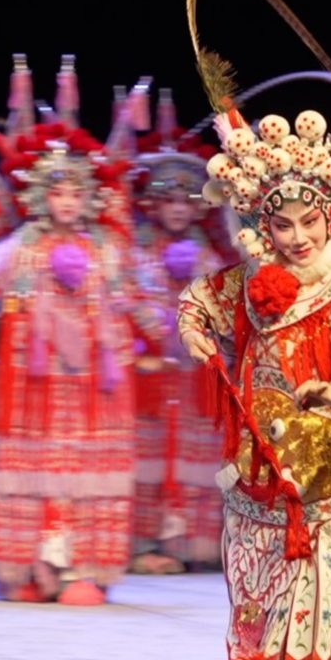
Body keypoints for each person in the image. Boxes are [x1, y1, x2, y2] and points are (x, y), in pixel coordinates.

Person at [177, 105, 331, 660]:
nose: (298, 238)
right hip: (271, 467)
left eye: (309, 222)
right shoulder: (250, 283)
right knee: (268, 606)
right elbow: (197, 300)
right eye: (282, 226)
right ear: (262, 228)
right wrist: (193, 331)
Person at [0, 115, 154, 605]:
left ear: (90, 197)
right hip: (33, 389)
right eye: (57, 192)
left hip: (95, 390)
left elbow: (138, 303)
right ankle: (30, 567)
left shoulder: (108, 252)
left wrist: (168, 342)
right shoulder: (18, 251)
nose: (67, 202)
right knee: (32, 474)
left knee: (86, 475)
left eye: (76, 192)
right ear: (39, 196)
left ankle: (84, 570)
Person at [129, 89, 231, 574]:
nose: (176, 209)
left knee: (190, 456)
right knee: (145, 457)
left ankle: (183, 542)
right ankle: (143, 543)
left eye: (185, 202)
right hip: (146, 377)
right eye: (167, 200)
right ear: (152, 204)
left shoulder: (207, 256)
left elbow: (221, 309)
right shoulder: (135, 252)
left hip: (190, 379)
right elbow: (128, 300)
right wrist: (151, 333)